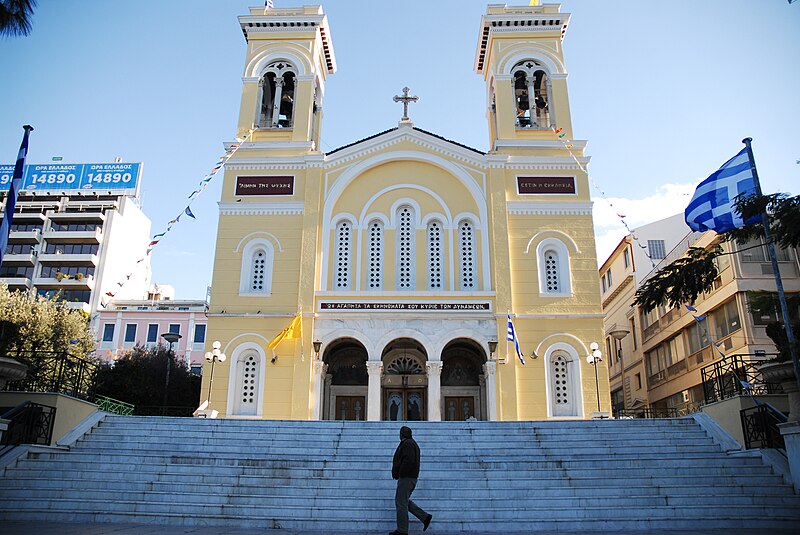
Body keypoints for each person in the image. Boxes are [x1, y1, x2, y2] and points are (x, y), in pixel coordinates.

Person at [391, 426, 432, 535]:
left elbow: (408, 461)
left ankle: (402, 530)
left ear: (401, 434)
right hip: (409, 477)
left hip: (407, 478)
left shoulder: (408, 444)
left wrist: (401, 473)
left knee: (400, 502)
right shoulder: (411, 443)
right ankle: (425, 517)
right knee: (403, 501)